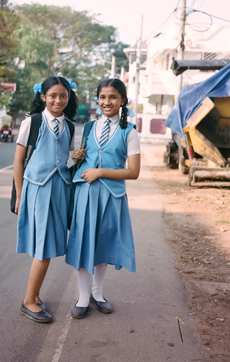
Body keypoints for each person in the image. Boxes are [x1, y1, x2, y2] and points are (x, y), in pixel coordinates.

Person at [66, 78, 140, 319]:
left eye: (113, 97)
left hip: (112, 196)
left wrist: (101, 172)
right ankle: (83, 297)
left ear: (123, 100)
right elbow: (84, 159)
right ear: (97, 100)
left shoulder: (129, 131)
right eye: (103, 97)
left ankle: (98, 294)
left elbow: (134, 172)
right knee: (83, 243)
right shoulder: (88, 127)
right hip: (86, 194)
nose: (107, 102)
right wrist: (77, 157)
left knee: (103, 244)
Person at [13, 76, 78, 323]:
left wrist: (77, 157)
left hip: (60, 189)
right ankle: (29, 301)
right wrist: (20, 195)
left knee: (47, 244)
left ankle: (35, 295)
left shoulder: (69, 126)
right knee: (44, 246)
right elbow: (18, 161)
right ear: (43, 97)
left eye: (63, 95)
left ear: (69, 97)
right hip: (37, 189)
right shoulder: (32, 122)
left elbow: (66, 159)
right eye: (52, 95)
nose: (58, 100)